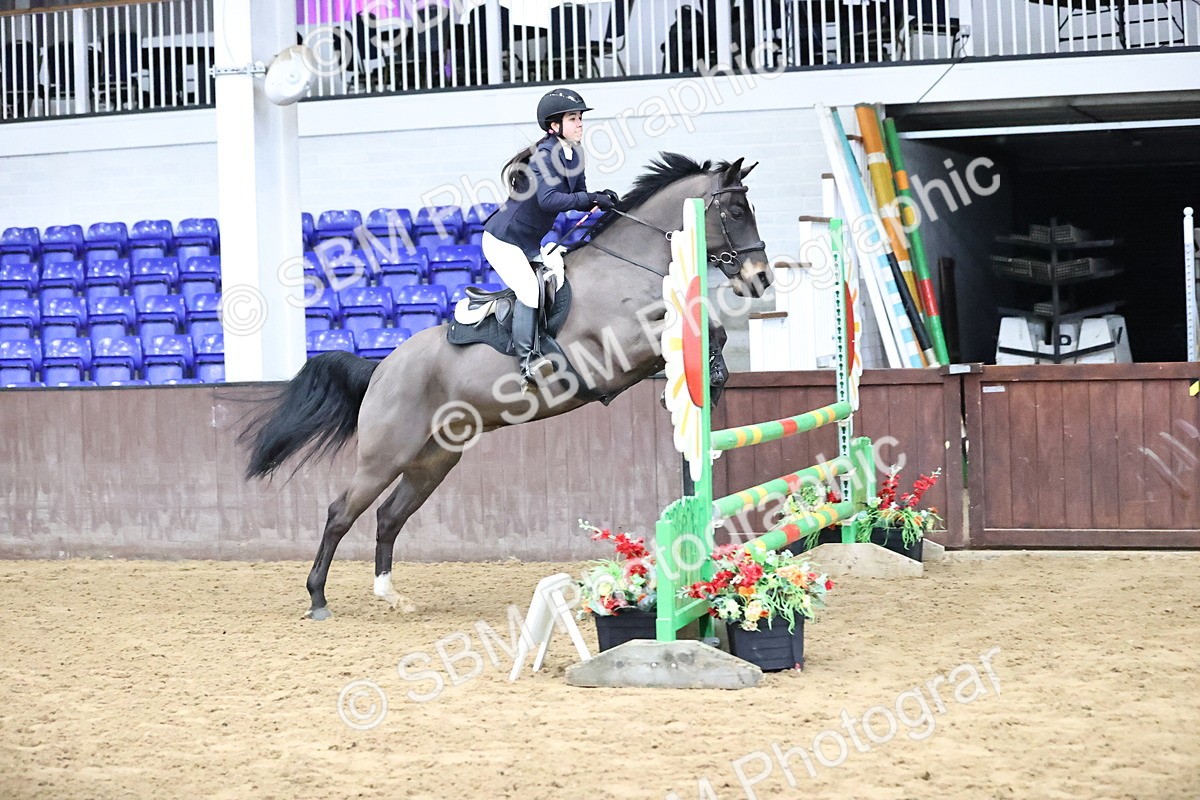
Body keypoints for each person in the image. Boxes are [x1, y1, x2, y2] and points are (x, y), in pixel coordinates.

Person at [482, 87, 620, 386]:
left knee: (557, 284)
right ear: (554, 126)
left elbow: (577, 195)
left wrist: (600, 198)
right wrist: (589, 198)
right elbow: (549, 200)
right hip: (504, 241)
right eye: (573, 119)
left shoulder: (575, 153)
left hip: (529, 242)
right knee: (530, 291)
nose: (580, 123)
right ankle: (527, 363)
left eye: (580, 117)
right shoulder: (543, 156)